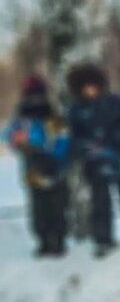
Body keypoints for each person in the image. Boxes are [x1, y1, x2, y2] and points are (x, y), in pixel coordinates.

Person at [66, 63, 120, 258]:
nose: (90, 90)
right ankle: (103, 240)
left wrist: (119, 134)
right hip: (95, 164)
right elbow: (73, 137)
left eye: (93, 86)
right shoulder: (76, 110)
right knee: (100, 203)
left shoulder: (116, 102)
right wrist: (84, 147)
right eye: (86, 87)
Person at [3, 76, 71, 257]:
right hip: (32, 168)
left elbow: (63, 140)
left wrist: (56, 159)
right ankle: (43, 241)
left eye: (38, 95)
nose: (35, 99)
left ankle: (58, 240)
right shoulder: (21, 118)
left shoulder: (53, 115)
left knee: (58, 206)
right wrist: (19, 142)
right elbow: (8, 136)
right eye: (31, 96)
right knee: (38, 207)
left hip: (56, 167)